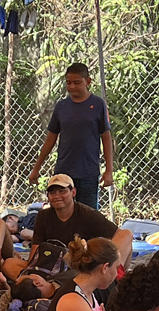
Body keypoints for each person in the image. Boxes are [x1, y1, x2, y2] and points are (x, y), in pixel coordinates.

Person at [4, 172, 132, 296]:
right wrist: (30, 270)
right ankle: (50, 286)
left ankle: (114, 276)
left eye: (62, 191)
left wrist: (110, 261)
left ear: (73, 192)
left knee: (126, 235)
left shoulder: (88, 214)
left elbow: (121, 235)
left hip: (77, 267)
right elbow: (36, 248)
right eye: (52, 192)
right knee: (9, 264)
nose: (57, 195)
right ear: (48, 197)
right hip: (47, 266)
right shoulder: (43, 216)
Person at [27, 62, 113, 209]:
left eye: (77, 82)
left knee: (88, 215)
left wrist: (109, 170)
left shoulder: (98, 104)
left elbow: (106, 138)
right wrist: (36, 168)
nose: (72, 86)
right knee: (61, 212)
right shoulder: (61, 106)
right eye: (69, 83)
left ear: (88, 81)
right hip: (64, 170)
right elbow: (50, 139)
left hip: (88, 171)